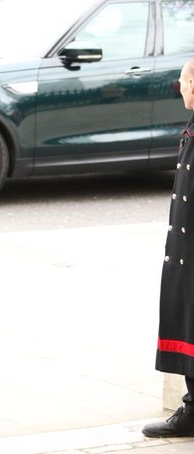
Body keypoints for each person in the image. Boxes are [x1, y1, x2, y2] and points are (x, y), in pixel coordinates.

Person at [143, 58, 194, 438]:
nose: (181, 89)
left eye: (183, 82)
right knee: (187, 322)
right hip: (185, 245)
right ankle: (193, 409)